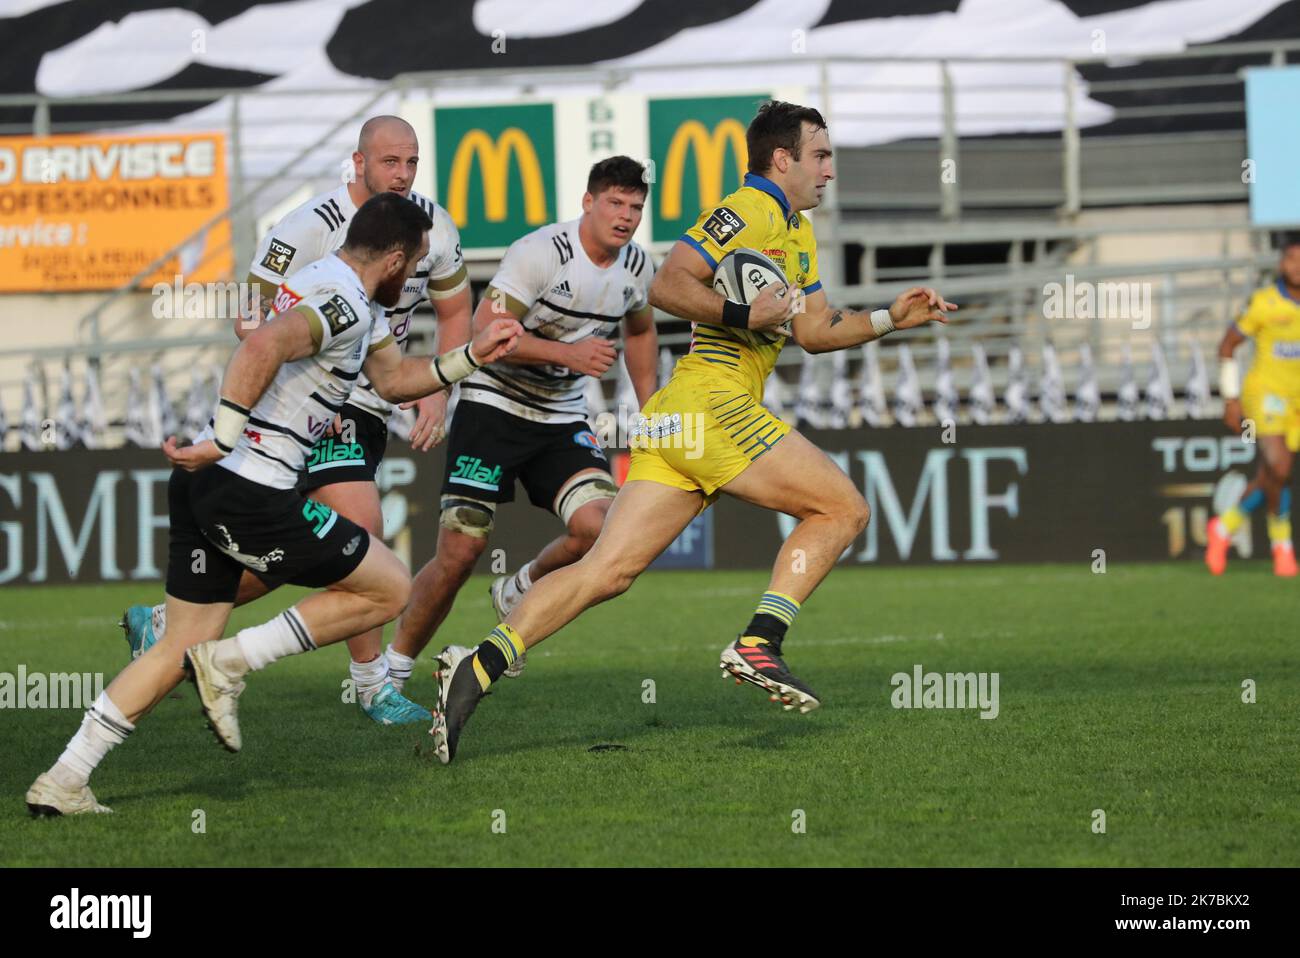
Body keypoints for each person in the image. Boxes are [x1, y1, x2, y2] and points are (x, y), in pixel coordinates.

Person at [427, 100, 954, 764]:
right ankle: (760, 640)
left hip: (682, 415)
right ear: (782, 159)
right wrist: (741, 310)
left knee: (607, 572)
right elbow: (670, 282)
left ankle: (473, 669)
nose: (830, 170)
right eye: (820, 156)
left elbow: (815, 331)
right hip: (712, 402)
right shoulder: (749, 208)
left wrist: (887, 318)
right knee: (843, 507)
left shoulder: (796, 230)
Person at [26, 193, 520, 815]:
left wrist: (471, 358)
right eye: (416, 262)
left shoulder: (334, 286)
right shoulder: (342, 304)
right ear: (395, 259)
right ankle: (232, 662)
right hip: (249, 487)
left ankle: (65, 778)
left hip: (210, 487)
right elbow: (262, 347)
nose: (418, 275)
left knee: (175, 649)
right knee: (389, 588)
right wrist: (223, 440)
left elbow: (394, 382)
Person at [120, 115, 472, 724]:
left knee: (298, 555)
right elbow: (252, 317)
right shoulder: (308, 226)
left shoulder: (431, 226)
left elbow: (457, 306)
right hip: (311, 406)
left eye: (412, 162)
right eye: (391, 162)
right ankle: (372, 685)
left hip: (372, 396)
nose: (403, 174)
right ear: (358, 163)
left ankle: (162, 622)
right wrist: (299, 380)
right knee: (360, 525)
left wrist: (438, 392)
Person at [387, 156, 658, 685]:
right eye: (615, 203)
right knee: (461, 551)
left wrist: (650, 411)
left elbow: (643, 332)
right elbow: (488, 328)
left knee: (600, 531)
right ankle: (392, 673)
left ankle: (519, 588)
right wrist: (570, 357)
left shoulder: (638, 267)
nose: (625, 217)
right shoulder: (541, 252)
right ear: (588, 202)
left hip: (559, 418)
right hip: (492, 405)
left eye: (635, 207)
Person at [1206, 234, 1300, 577]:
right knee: (1280, 466)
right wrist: (1230, 399)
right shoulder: (1262, 303)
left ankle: (1223, 528)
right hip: (1267, 394)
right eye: (1292, 259)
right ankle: (1283, 547)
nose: (1298, 266)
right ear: (1281, 264)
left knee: (1273, 474)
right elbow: (1227, 346)